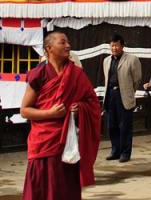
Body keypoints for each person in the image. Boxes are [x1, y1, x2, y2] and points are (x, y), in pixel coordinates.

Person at [20, 31, 101, 200]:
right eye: (62, 43)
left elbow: (92, 102)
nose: (68, 46)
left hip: (67, 141)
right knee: (41, 187)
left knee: (65, 187)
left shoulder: (76, 74)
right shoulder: (38, 75)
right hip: (43, 141)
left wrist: (80, 109)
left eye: (68, 42)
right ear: (49, 48)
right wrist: (49, 113)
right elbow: (25, 110)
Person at [102, 34, 141, 162]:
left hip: (123, 95)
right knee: (111, 125)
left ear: (122, 46)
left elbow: (137, 79)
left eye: (116, 45)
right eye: (112, 45)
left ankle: (125, 153)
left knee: (124, 126)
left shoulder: (132, 59)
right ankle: (115, 151)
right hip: (110, 95)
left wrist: (129, 92)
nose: (114, 48)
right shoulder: (107, 60)